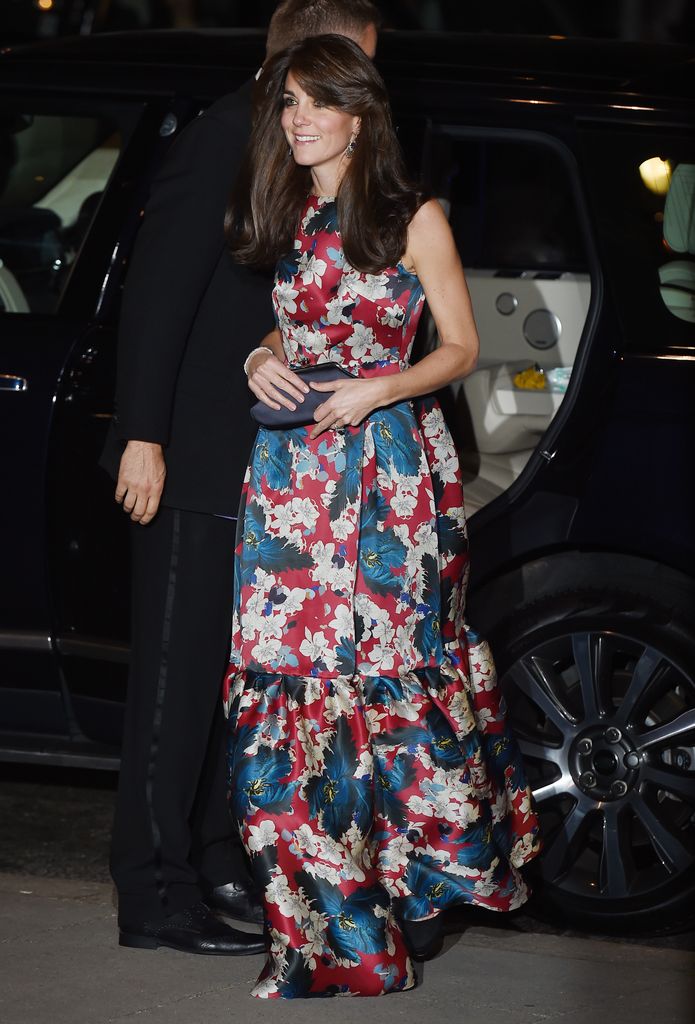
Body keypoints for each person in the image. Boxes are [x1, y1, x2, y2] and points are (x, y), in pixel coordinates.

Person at [223, 33, 542, 998]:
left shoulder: (416, 216)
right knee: (287, 688)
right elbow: (300, 311)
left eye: (316, 103)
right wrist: (258, 354)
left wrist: (376, 390)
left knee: (386, 680)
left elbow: (460, 346)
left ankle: (417, 890)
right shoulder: (293, 210)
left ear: (360, 116)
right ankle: (329, 932)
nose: (298, 120)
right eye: (287, 104)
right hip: (290, 476)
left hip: (388, 476)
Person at [102, 1, 380, 957]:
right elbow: (155, 298)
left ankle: (214, 858)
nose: (359, 90)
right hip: (183, 462)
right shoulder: (221, 137)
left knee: (233, 685)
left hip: (265, 466)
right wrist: (142, 435)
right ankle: (150, 893)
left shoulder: (294, 149)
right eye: (347, 65)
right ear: (294, 55)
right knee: (174, 689)